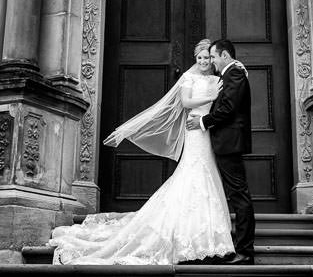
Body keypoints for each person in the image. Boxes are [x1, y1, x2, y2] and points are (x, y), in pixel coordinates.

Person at [48, 39, 234, 265]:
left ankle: (208, 237)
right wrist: (210, 97)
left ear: (213, 59)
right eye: (200, 58)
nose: (204, 61)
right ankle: (187, 237)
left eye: (207, 57)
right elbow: (185, 102)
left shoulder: (218, 79)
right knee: (193, 172)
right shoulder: (188, 78)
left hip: (207, 131)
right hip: (194, 131)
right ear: (196, 60)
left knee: (207, 174)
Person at [185, 38, 256, 265]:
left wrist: (203, 121)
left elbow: (227, 108)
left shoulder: (233, 73)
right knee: (237, 193)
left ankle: (245, 251)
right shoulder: (233, 72)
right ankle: (239, 246)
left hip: (229, 142)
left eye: (213, 56)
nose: (211, 60)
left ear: (224, 55)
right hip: (226, 142)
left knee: (239, 195)